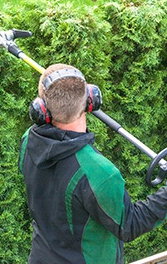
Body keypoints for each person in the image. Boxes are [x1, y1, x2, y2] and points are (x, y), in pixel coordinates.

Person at [18, 63, 167, 264]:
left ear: (40, 109)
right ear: (91, 100)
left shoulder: (29, 140)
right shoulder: (100, 172)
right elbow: (129, 225)